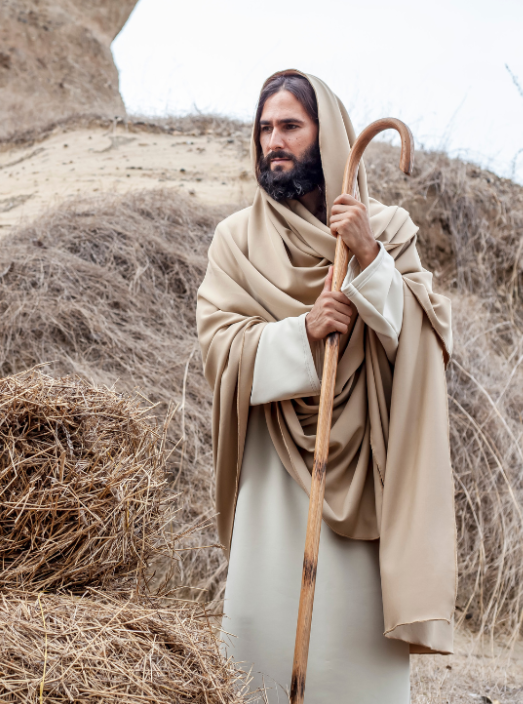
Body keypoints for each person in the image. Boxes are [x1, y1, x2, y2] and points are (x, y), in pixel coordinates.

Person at [196, 70, 456, 703]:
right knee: (260, 664)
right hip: (272, 490)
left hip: (364, 481)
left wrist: (369, 260)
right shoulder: (238, 241)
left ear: (329, 137)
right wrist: (300, 334)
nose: (274, 142)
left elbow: (421, 340)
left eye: (290, 126)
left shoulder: (387, 228)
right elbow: (218, 351)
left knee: (352, 670)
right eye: (265, 129)